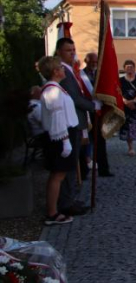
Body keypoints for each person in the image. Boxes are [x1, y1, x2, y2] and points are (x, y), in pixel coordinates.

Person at [37, 56, 80, 225]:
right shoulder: (52, 91)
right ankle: (52, 213)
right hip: (60, 136)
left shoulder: (56, 88)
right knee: (57, 175)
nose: (64, 70)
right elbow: (58, 118)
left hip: (63, 134)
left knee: (59, 175)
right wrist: (65, 140)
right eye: (61, 68)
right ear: (55, 71)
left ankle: (53, 210)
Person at [54, 38, 93, 217]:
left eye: (74, 49)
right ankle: (66, 202)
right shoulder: (63, 73)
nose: (72, 53)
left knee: (74, 162)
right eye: (68, 50)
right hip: (71, 123)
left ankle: (71, 198)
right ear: (59, 52)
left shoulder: (71, 70)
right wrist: (94, 106)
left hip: (76, 121)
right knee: (70, 165)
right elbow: (74, 99)